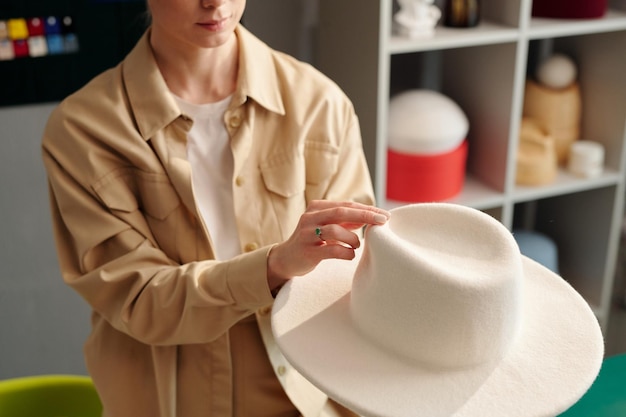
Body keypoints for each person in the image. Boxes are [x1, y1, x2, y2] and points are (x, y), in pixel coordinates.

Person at [41, 0, 389, 416]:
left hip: (304, 391)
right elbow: (138, 298)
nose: (216, 2)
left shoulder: (320, 104)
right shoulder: (84, 130)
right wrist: (272, 266)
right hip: (163, 397)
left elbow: (352, 278)